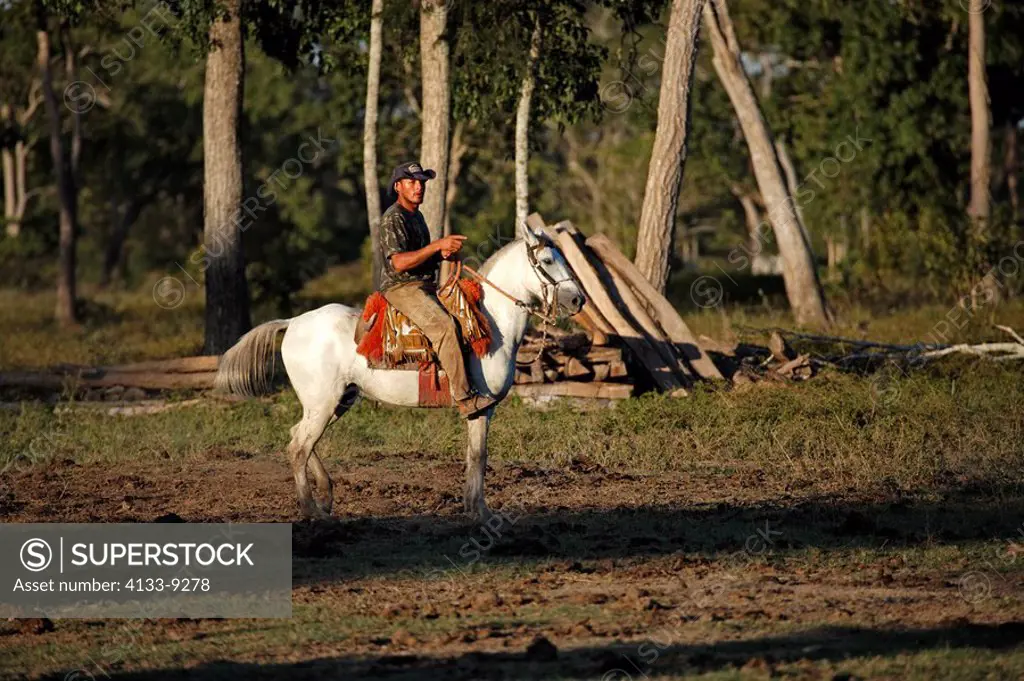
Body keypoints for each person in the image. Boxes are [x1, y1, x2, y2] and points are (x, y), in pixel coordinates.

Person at [378, 161, 498, 419]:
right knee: (444, 326)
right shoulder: (393, 217)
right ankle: (465, 399)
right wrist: (436, 247)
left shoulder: (417, 216)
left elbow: (419, 258)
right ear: (398, 186)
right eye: (411, 182)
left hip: (423, 284)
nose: (418, 187)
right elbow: (398, 263)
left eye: (421, 182)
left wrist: (441, 255)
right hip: (401, 287)